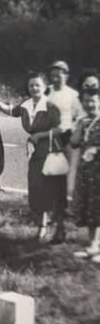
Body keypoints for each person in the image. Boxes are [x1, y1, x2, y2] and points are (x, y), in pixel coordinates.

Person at [0, 72, 67, 243]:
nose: (34, 88)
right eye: (31, 85)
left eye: (37, 85)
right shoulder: (26, 105)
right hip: (36, 153)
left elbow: (61, 128)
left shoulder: (50, 106)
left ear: (44, 87)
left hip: (52, 151)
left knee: (53, 190)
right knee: (37, 190)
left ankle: (60, 229)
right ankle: (42, 227)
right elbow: (11, 110)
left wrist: (40, 136)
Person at [70, 88, 100, 263]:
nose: (89, 104)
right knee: (90, 208)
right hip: (87, 172)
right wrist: (80, 125)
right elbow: (73, 143)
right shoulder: (84, 121)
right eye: (86, 101)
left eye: (93, 100)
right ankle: (93, 246)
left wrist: (96, 149)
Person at [47, 61, 85, 196]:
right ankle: (52, 204)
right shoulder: (47, 91)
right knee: (51, 170)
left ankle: (68, 203)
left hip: (67, 136)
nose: (56, 77)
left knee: (69, 171)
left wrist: (75, 130)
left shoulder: (72, 94)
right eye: (53, 74)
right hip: (51, 137)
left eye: (59, 74)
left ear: (66, 75)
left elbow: (81, 114)